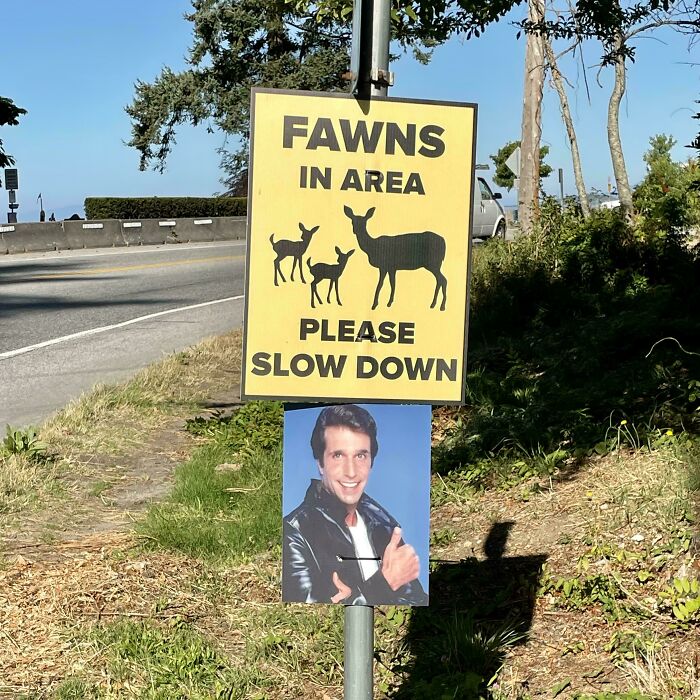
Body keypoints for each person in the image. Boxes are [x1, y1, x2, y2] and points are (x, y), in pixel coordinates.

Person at [282, 404, 428, 605]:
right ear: (320, 464)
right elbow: (304, 613)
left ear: (371, 462)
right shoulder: (295, 531)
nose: (351, 472)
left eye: (360, 456)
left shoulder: (384, 524)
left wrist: (355, 597)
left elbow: (415, 601)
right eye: (338, 455)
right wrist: (384, 584)